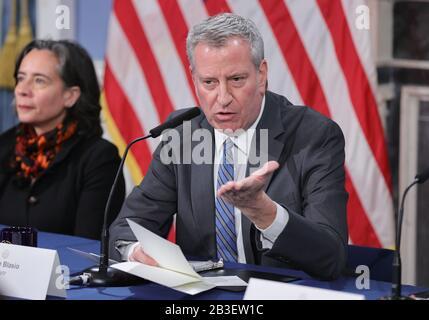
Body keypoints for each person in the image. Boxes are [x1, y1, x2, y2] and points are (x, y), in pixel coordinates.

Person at [109, 13, 348, 279]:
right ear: (194, 78)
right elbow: (127, 227)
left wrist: (264, 212)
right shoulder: (182, 134)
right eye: (209, 82)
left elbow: (331, 258)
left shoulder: (314, 136)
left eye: (236, 80)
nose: (222, 98)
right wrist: (136, 251)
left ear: (261, 74)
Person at [0, 40, 125, 240]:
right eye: (20, 78)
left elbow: (88, 248)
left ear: (70, 96)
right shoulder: (4, 146)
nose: (22, 90)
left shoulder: (99, 159)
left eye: (39, 80)